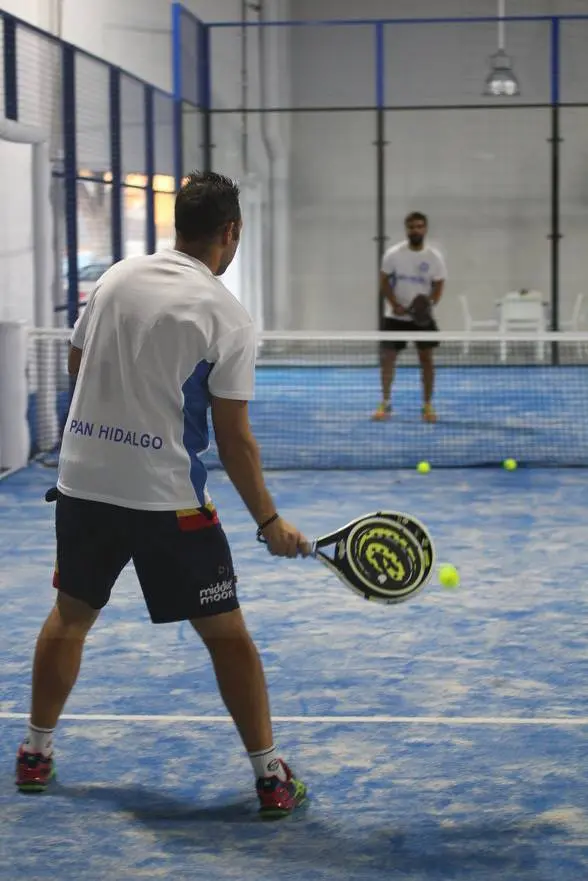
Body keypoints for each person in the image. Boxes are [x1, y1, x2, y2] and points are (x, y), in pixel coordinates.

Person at [15, 171, 308, 819]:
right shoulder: (227, 316)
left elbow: (76, 365)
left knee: (70, 615)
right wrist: (269, 521)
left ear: (179, 224)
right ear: (230, 233)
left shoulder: (116, 277)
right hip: (167, 500)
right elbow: (234, 440)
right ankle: (269, 775)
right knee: (228, 637)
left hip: (83, 483)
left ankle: (34, 751)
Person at [372, 212, 447, 423]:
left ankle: (427, 406)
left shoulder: (434, 257)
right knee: (388, 359)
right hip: (395, 317)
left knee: (427, 361)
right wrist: (394, 304)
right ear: (406, 229)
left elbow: (439, 284)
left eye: (420, 226)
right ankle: (385, 403)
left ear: (425, 229)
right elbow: (384, 280)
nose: (416, 230)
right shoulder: (393, 254)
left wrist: (429, 304)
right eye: (412, 227)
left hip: (422, 318)